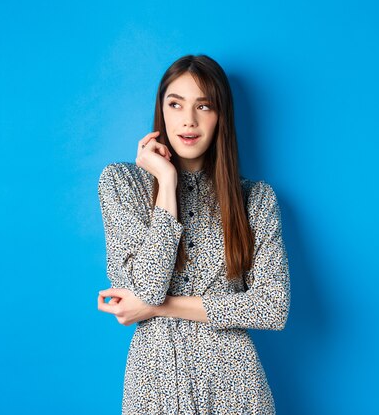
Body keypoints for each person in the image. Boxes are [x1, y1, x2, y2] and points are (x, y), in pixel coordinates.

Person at [96, 54, 290, 414]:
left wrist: (156, 307)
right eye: (176, 104)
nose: (188, 120)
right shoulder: (121, 183)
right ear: (162, 110)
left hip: (236, 386)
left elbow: (272, 308)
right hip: (155, 385)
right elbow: (148, 286)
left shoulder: (256, 199)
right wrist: (167, 182)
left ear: (221, 117)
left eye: (204, 105)